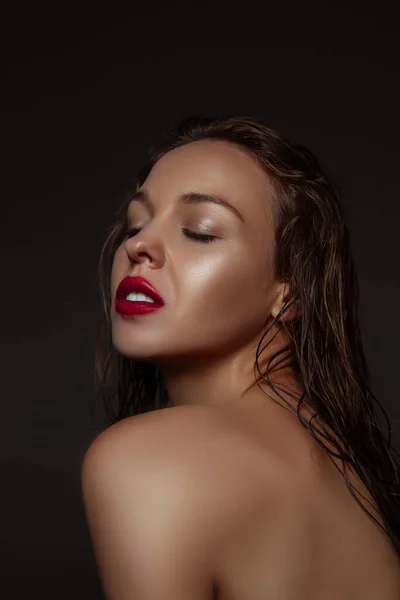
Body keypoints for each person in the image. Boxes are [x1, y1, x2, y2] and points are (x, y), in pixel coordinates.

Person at [81, 116, 400, 599]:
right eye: (136, 223)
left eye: (201, 231)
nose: (137, 246)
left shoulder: (150, 461)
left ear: (289, 292)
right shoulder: (344, 464)